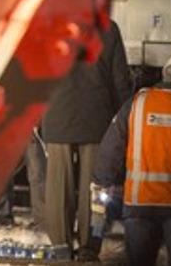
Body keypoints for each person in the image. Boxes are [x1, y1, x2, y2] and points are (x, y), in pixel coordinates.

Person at [93, 53, 171, 266]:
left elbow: (111, 147)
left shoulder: (136, 104)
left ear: (164, 74)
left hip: (140, 204)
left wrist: (101, 180)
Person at [41, 20, 131, 260]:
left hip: (57, 116)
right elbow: (120, 81)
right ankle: (90, 247)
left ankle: (60, 245)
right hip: (96, 120)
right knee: (96, 189)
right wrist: (123, 120)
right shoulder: (109, 29)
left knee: (58, 186)